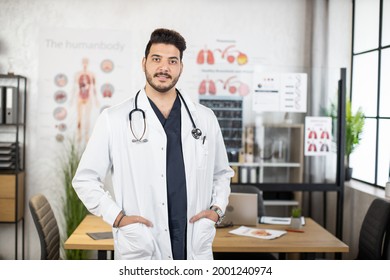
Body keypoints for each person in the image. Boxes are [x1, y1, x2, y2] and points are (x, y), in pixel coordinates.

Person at [72, 28, 234, 260]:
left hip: (193, 242)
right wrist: (117, 218)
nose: (164, 68)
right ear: (144, 63)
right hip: (142, 244)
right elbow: (85, 179)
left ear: (181, 67)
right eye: (156, 59)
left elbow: (222, 173)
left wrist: (217, 210)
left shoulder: (204, 118)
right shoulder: (114, 118)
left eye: (172, 61)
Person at [71, 57, 99, 144]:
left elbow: (94, 88)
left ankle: (86, 136)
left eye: (86, 62)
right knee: (79, 118)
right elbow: (74, 87)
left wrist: (96, 100)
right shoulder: (77, 74)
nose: (85, 64)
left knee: (87, 118)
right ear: (82, 63)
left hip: (88, 97)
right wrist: (71, 99)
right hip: (79, 97)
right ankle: (79, 136)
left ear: (88, 63)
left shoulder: (92, 75)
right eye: (83, 62)